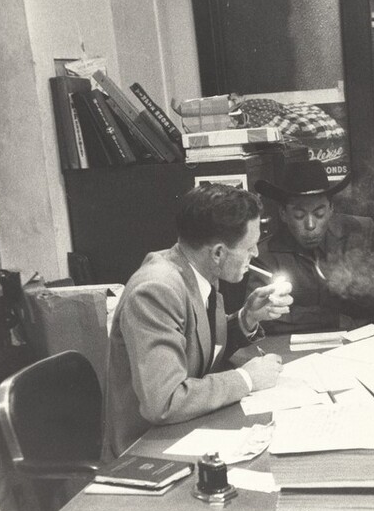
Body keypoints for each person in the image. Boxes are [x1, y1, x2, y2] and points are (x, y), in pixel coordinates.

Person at [103, 183, 293, 459]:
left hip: (186, 430)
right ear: (217, 252)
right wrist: (247, 378)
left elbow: (196, 349)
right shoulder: (156, 290)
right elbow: (165, 401)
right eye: (250, 247)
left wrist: (247, 318)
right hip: (148, 448)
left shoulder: (194, 270)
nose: (255, 255)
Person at [251, 159, 374, 334]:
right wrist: (340, 320)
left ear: (331, 209)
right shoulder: (264, 255)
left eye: (319, 214)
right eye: (299, 215)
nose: (311, 225)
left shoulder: (361, 231)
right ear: (283, 214)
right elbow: (262, 315)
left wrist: (368, 287)